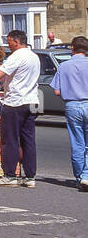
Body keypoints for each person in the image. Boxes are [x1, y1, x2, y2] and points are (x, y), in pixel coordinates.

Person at [0, 30, 40, 187]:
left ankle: (10, 175)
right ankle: (30, 177)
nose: (8, 45)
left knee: (10, 140)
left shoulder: (17, 56)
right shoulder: (33, 56)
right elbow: (9, 71)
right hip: (31, 101)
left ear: (16, 42)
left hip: (15, 102)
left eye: (9, 42)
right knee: (28, 140)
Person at [51, 36, 88, 191]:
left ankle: (81, 177)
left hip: (72, 105)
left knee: (77, 143)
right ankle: (86, 175)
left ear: (72, 48)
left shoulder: (64, 66)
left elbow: (57, 91)